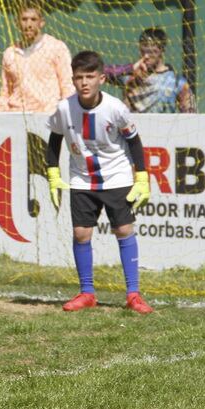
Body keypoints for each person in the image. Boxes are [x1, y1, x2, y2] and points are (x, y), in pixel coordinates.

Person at [45, 51, 154, 314]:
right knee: (81, 234)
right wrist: (53, 175)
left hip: (117, 177)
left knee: (124, 230)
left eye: (90, 77)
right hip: (81, 179)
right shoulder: (64, 108)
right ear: (73, 79)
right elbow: (54, 141)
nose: (84, 82)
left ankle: (133, 294)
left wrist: (141, 177)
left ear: (102, 78)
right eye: (79, 77)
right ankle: (87, 293)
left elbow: (134, 141)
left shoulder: (115, 108)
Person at [0, 1, 74, 113]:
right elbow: (5, 91)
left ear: (41, 23)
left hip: (48, 114)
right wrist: (2, 114)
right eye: (24, 19)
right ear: (17, 23)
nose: (28, 24)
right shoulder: (9, 53)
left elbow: (67, 85)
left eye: (33, 19)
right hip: (17, 114)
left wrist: (66, 113)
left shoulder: (56, 47)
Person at [105, 28, 196, 113]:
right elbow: (99, 71)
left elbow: (191, 115)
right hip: (134, 128)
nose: (146, 56)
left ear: (162, 50)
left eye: (152, 52)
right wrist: (130, 68)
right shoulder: (129, 77)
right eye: (143, 52)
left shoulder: (176, 81)